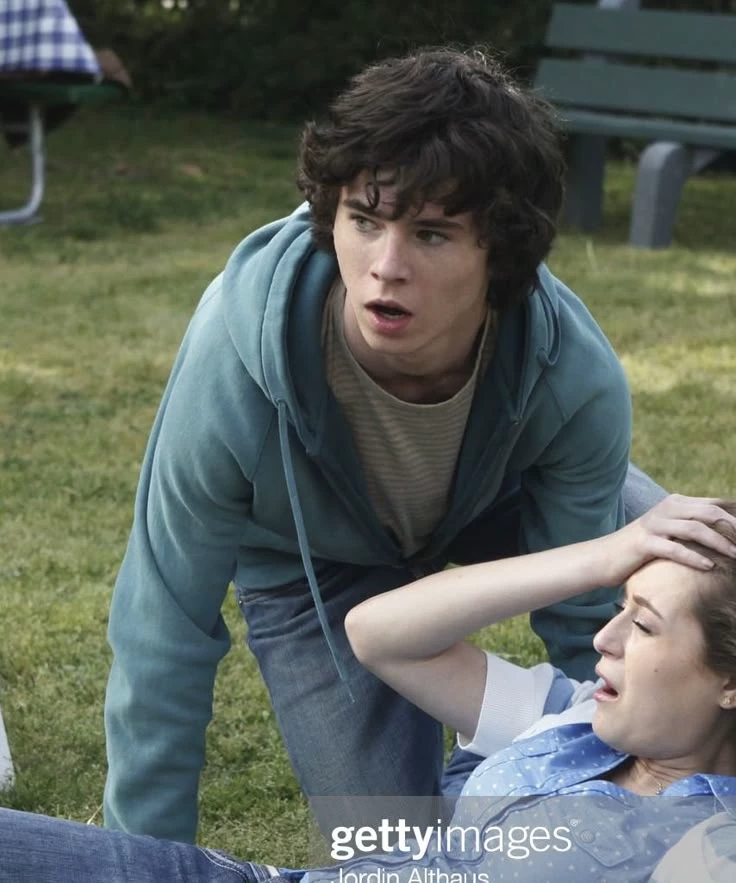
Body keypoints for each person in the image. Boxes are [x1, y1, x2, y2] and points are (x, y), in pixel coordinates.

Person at [103, 46, 667, 843]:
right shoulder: (235, 351)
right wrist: (140, 859)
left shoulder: (571, 370)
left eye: (432, 234)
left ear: (500, 253)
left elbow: (583, 626)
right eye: (364, 222)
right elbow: (162, 626)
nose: (385, 267)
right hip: (315, 563)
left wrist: (626, 796)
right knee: (389, 846)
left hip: (505, 500)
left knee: (683, 549)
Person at [3, 494, 736, 882]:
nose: (605, 638)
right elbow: (380, 633)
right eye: (617, 607)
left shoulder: (713, 843)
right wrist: (604, 556)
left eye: (643, 625)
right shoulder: (569, 718)